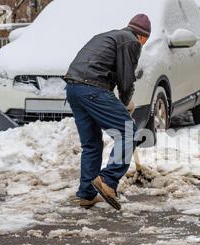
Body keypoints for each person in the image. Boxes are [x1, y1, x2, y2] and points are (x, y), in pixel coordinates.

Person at [65, 14, 151, 211]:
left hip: (73, 87)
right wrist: (125, 103)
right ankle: (107, 180)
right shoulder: (131, 42)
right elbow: (126, 78)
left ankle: (87, 194)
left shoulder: (110, 36)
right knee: (129, 132)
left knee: (92, 143)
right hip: (92, 88)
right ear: (143, 37)